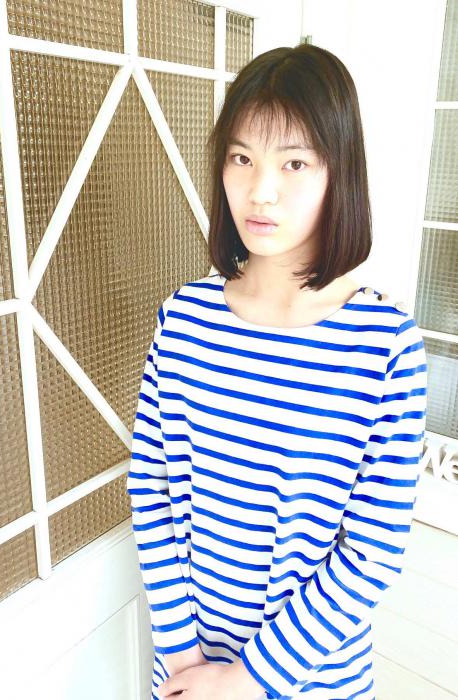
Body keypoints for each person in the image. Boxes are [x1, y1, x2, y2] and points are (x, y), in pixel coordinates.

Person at [127, 43, 428, 700]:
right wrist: (182, 656)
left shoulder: (385, 346)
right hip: (185, 674)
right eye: (241, 159)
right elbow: (150, 485)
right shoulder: (184, 317)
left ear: (338, 172)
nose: (260, 191)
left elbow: (372, 549)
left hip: (312, 680)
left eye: (294, 163)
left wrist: (246, 680)